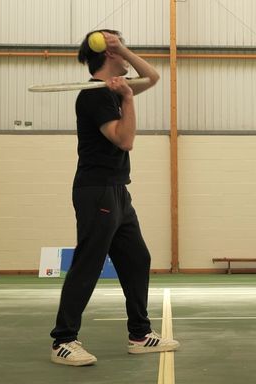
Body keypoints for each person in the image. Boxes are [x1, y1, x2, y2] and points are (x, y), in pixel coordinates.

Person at [50, 30, 179, 366]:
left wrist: (121, 50)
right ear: (107, 56)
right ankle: (63, 340)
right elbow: (125, 140)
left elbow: (151, 76)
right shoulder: (95, 96)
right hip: (97, 190)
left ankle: (140, 334)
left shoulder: (113, 90)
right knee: (89, 263)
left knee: (137, 258)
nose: (126, 55)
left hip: (118, 190)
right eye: (119, 49)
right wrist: (128, 100)